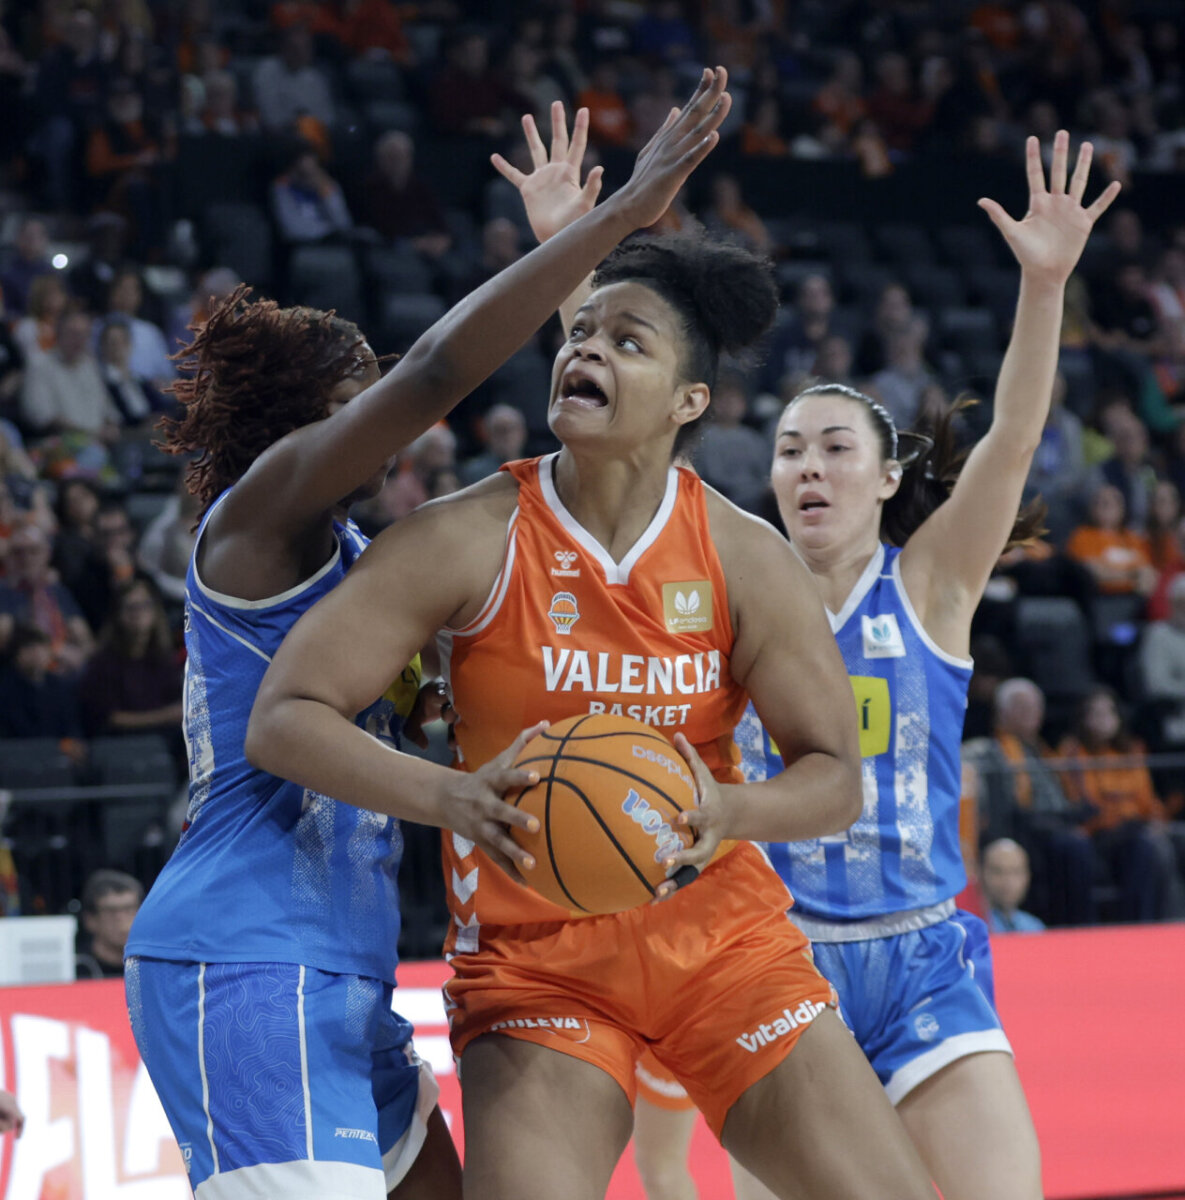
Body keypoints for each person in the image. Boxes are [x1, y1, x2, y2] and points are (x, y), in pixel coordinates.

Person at [245, 96, 939, 1200]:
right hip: (536, 963)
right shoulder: (466, 536)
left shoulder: (743, 556)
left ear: (689, 401)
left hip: (721, 943)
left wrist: (731, 810)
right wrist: (451, 795)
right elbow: (283, 718)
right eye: (579, 334)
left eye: (626, 342)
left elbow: (833, 779)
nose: (585, 348)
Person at [123, 71, 742, 1200]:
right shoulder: (257, 519)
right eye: (357, 401)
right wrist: (622, 215)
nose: (388, 425)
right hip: (244, 955)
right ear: (305, 421)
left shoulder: (360, 556)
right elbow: (438, 370)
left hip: (342, 969)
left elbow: (603, 455)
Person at [623, 132, 1119, 1200]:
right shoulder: (730, 583)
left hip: (925, 960)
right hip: (777, 966)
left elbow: (1014, 440)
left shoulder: (930, 586)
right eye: (789, 449)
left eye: (834, 448)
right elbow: (624, 449)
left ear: (888, 477)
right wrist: (578, 261)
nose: (807, 466)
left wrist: (1044, 285)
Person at [75, 868, 143, 979]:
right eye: (111, 911)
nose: (121, 919)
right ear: (90, 920)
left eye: (129, 909)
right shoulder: (76, 967)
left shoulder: (151, 965)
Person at [980, 838, 1046, 933]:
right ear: (981, 873)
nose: (1008, 880)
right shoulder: (972, 927)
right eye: (998, 871)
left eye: (1016, 871)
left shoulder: (1034, 927)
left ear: (1027, 876)